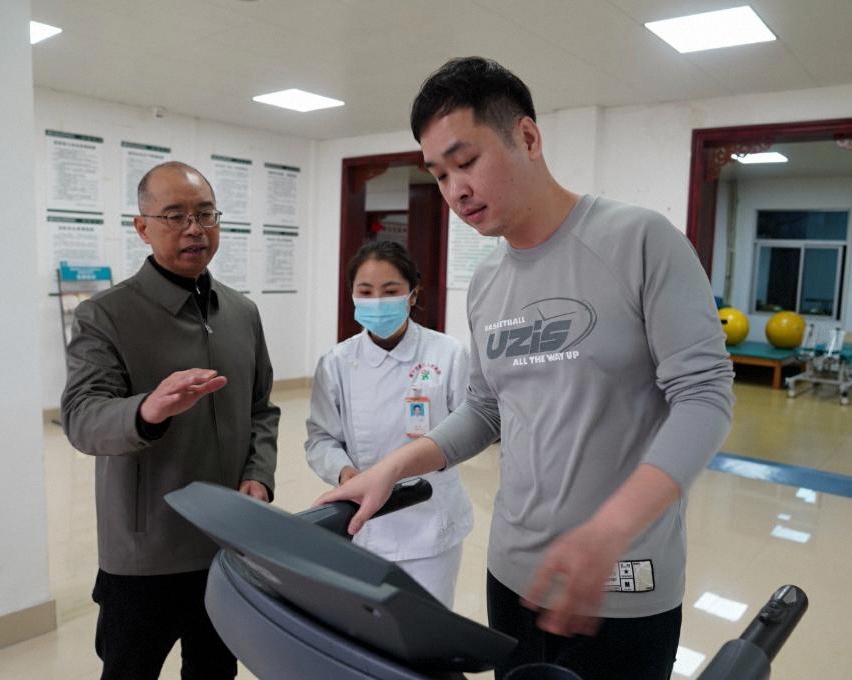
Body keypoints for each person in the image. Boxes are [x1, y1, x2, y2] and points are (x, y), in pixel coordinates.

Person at [315, 57, 734, 680]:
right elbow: (485, 410)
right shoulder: (487, 282)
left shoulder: (641, 241)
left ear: (528, 138)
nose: (455, 190)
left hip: (620, 577)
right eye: (439, 174)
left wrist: (609, 531)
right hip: (514, 574)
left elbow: (704, 396)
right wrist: (392, 469)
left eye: (466, 161)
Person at [61, 161, 280, 680]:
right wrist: (146, 410)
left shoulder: (241, 312)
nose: (194, 229)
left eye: (206, 214)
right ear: (142, 227)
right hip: (145, 553)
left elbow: (261, 408)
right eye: (175, 216)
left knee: (214, 671)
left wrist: (259, 473)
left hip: (225, 542)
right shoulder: (106, 314)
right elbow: (81, 416)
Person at [306, 240, 473, 607]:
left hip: (430, 524)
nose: (377, 301)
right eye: (366, 292)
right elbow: (320, 439)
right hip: (362, 524)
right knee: (366, 626)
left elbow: (471, 429)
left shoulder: (447, 354)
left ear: (412, 295)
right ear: (352, 295)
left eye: (390, 290)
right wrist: (347, 474)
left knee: (426, 628)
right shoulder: (336, 363)